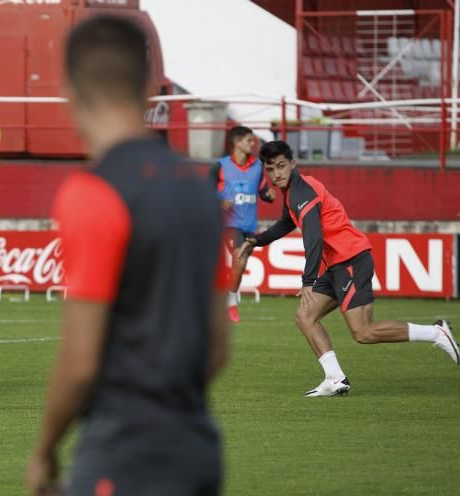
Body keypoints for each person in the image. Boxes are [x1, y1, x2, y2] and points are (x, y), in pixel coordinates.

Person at [26, 16, 231, 496]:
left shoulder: (92, 193)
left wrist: (44, 450)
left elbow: (80, 363)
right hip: (198, 450)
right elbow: (217, 349)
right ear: (149, 91)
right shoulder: (201, 191)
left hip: (121, 453)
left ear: (70, 92)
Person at [238, 140, 457, 397]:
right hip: (336, 264)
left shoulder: (302, 191)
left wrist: (308, 280)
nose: (277, 174)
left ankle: (436, 332)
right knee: (305, 317)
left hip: (351, 259)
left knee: (363, 332)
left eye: (281, 166)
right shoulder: (293, 193)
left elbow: (314, 238)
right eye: (271, 169)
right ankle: (335, 378)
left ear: (292, 164)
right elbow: (285, 224)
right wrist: (256, 240)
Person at [208, 125, 275, 322]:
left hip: (250, 226)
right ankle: (230, 303)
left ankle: (227, 297)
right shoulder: (220, 167)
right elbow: (205, 191)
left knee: (241, 262)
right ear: (237, 143)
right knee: (239, 258)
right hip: (229, 224)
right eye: (249, 140)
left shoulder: (257, 167)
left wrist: (269, 196)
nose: (252, 144)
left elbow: (263, 191)